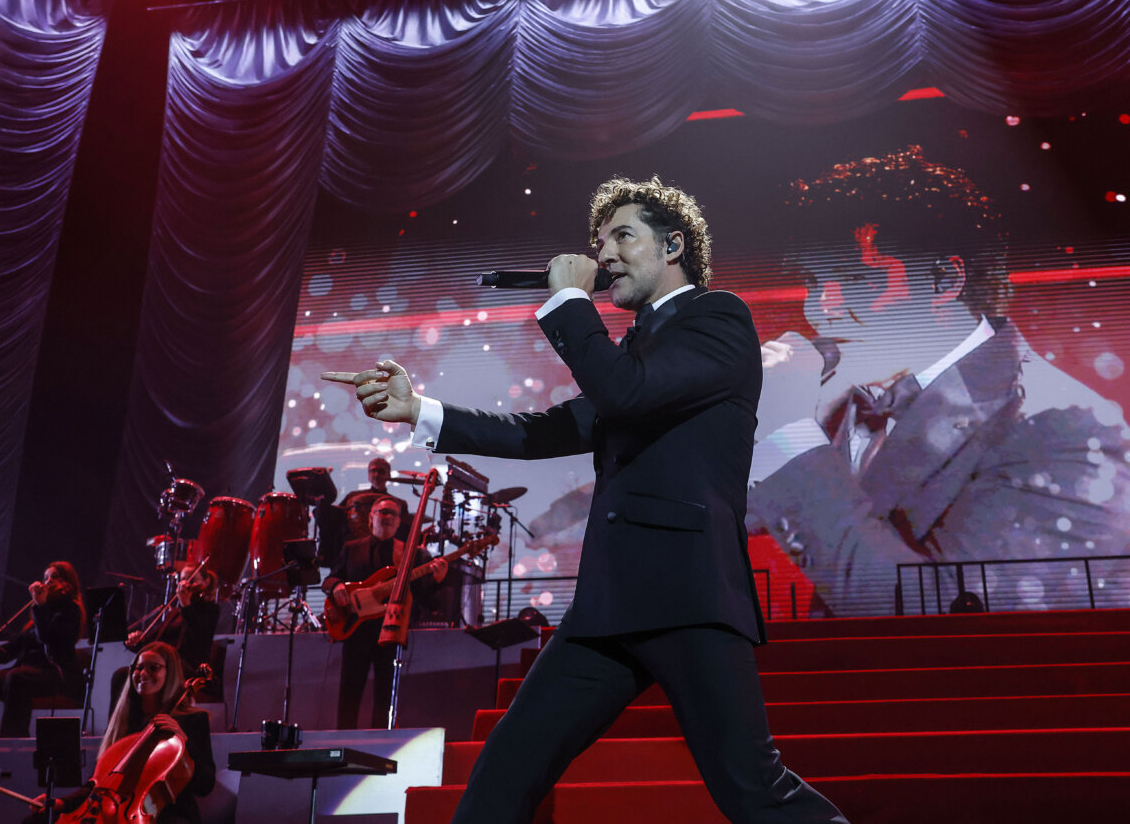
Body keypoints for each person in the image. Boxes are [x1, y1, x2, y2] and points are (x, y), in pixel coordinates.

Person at [323, 176, 845, 822]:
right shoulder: (629, 351)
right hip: (609, 605)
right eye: (599, 242)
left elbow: (626, 392)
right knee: (504, 773)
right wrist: (421, 410)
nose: (605, 255)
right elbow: (545, 429)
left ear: (674, 244)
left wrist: (571, 297)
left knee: (752, 789)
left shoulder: (720, 319)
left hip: (687, 595)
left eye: (622, 236)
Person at [747, 146, 1130, 617]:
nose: (822, 308)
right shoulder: (836, 397)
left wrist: (787, 433)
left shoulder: (1064, 429)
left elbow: (943, 627)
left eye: (855, 278)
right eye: (813, 280)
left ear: (944, 280)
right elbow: (710, 512)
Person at [31, 642, 215, 824]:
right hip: (116, 811)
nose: (143, 674)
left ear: (170, 673)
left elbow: (205, 785)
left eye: (153, 668)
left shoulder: (193, 720)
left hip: (167, 814)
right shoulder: (125, 722)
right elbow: (101, 785)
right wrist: (63, 802)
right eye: (138, 668)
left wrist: (183, 738)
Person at [321, 495, 448, 729]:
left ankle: (381, 747)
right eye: (383, 512)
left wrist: (437, 580)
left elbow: (423, 597)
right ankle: (342, 744)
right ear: (371, 517)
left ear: (399, 522)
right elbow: (329, 580)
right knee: (349, 695)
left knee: (385, 698)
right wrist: (337, 586)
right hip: (355, 632)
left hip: (390, 633)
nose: (388, 517)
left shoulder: (411, 554)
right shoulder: (351, 549)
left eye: (393, 514)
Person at [0, 561, 86, 737]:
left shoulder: (71, 609)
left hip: (55, 674)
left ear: (68, 583)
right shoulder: (40, 612)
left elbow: (48, 638)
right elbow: (9, 650)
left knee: (17, 678)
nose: (48, 581)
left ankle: (12, 737)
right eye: (45, 577)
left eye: (55, 577)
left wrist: (40, 606)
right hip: (27, 672)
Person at [112, 564, 221, 710]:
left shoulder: (210, 610)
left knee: (159, 670)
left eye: (192, 580)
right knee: (121, 675)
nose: (186, 584)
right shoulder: (174, 613)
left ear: (206, 582)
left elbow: (197, 638)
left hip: (188, 667)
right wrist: (136, 641)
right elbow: (154, 642)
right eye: (183, 580)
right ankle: (124, 725)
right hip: (163, 663)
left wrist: (186, 605)